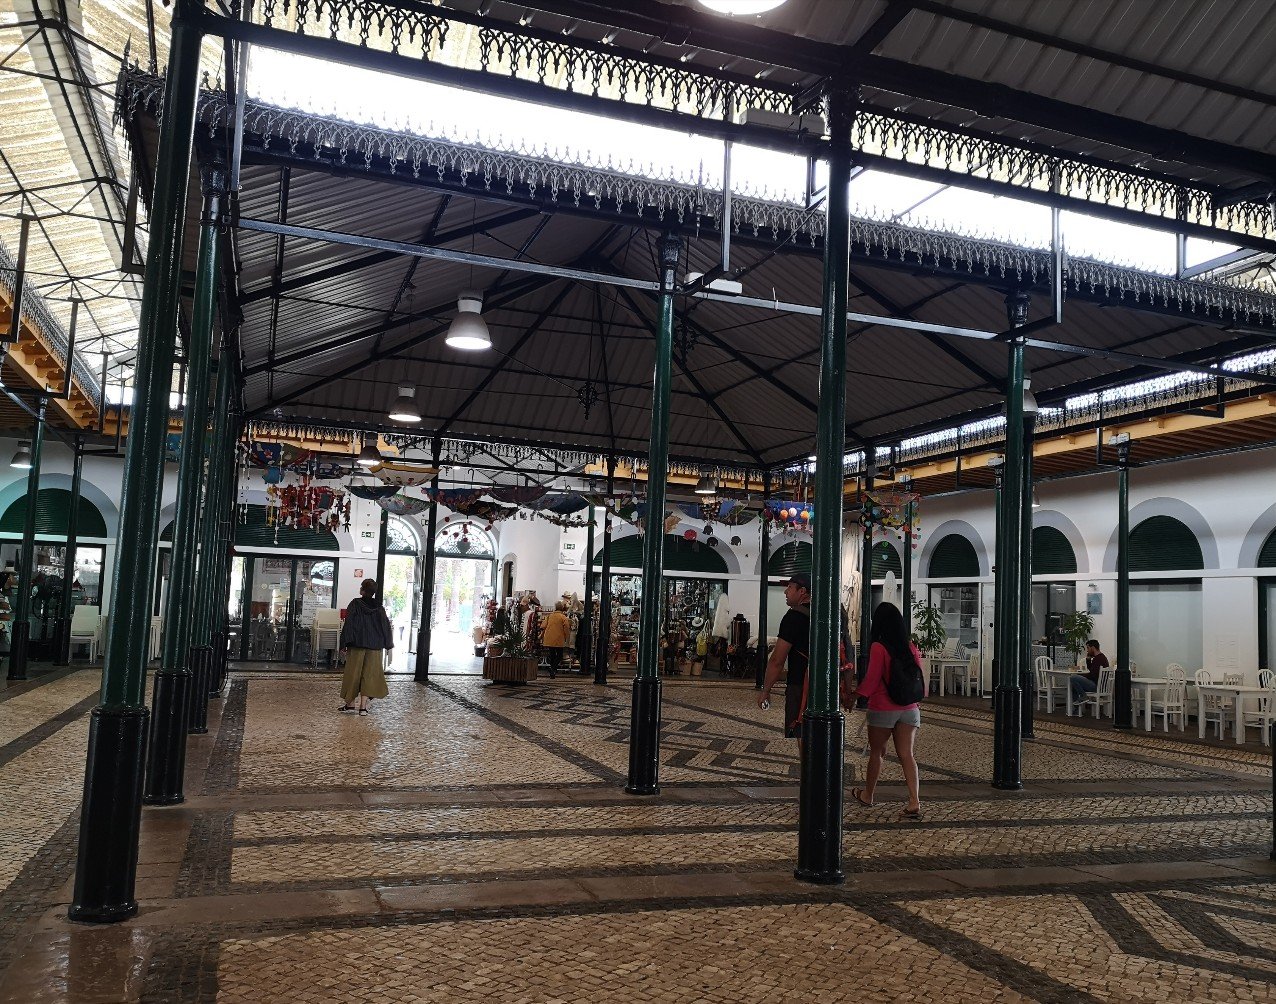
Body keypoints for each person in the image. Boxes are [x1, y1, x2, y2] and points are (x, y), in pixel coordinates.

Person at [852, 602, 923, 819]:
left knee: (878, 752)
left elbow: (872, 680)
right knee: (907, 755)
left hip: (883, 708)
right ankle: (914, 801)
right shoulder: (910, 646)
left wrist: (854, 696)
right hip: (909, 708)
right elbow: (919, 676)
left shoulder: (878, 647)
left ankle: (868, 795)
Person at [758, 572, 812, 748]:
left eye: (789, 587)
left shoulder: (794, 617)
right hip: (827, 687)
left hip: (800, 685)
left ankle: (809, 767)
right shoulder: (829, 614)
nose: (785, 592)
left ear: (802, 591)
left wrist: (766, 690)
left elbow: (777, 660)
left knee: (802, 733)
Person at [339, 578, 393, 716]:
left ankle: (350, 704)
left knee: (353, 673)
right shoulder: (379, 607)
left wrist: (344, 643)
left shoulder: (355, 604)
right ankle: (363, 707)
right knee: (369, 675)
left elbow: (349, 623)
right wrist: (388, 643)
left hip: (357, 644)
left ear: (362, 590)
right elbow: (385, 626)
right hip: (375, 645)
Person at [1069, 639, 1109, 705]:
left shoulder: (1098, 659)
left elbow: (1093, 675)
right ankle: (1077, 709)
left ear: (1093, 648)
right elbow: (1093, 671)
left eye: (1088, 648)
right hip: (1100, 686)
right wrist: (1088, 660)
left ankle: (1083, 696)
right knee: (1074, 686)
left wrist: (1083, 676)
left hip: (1096, 686)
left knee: (1073, 678)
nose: (1087, 650)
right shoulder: (1101, 657)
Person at [542, 600, 570, 678]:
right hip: (559, 638)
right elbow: (566, 628)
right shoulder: (563, 617)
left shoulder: (550, 616)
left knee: (552, 655)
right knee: (559, 655)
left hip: (549, 638)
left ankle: (552, 671)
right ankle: (553, 668)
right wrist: (567, 637)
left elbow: (543, 626)